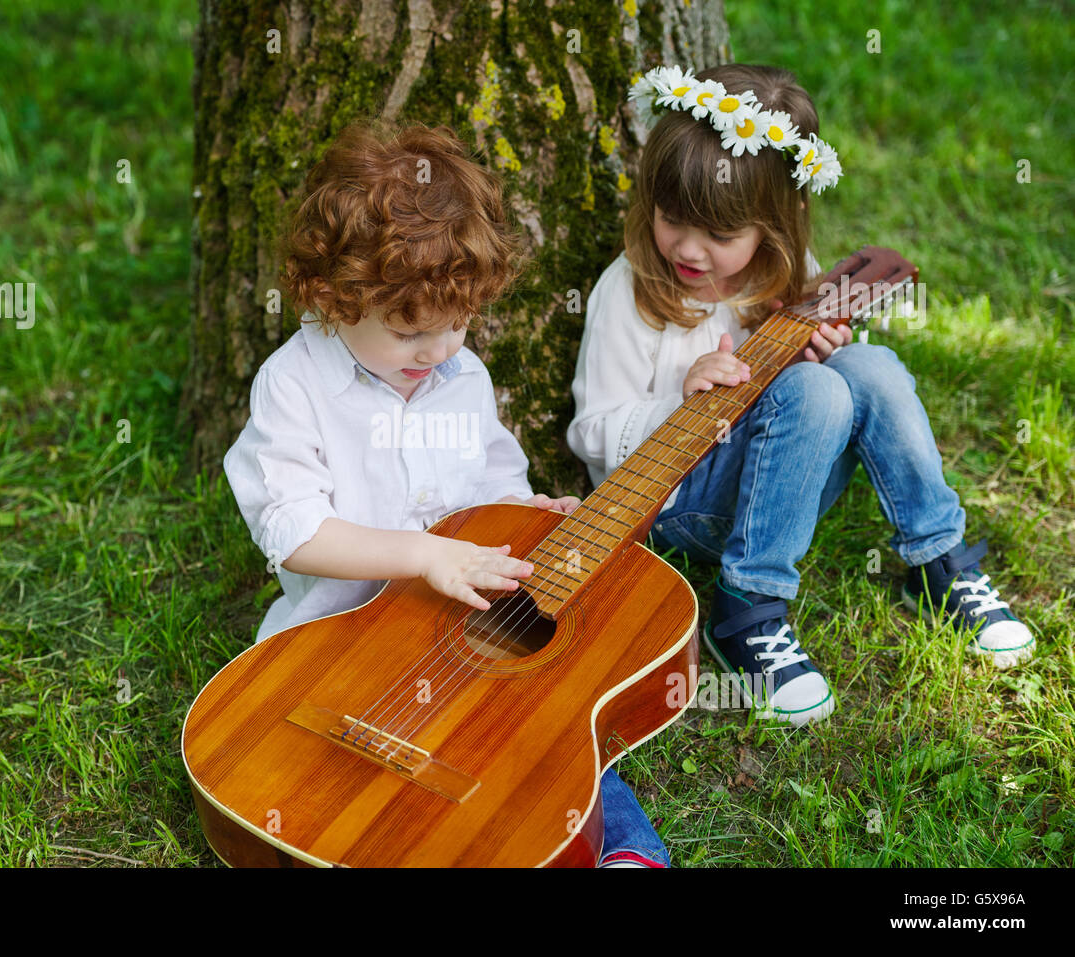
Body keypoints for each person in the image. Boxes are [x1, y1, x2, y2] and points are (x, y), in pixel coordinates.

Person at [224, 120, 669, 867]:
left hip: (465, 636)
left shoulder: (460, 377)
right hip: (340, 650)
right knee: (341, 786)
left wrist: (530, 516)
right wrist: (423, 554)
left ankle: (618, 846)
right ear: (334, 297)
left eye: (458, 324)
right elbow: (294, 529)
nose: (437, 352)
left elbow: (493, 482)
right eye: (409, 334)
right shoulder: (295, 384)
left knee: (548, 727)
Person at [567, 63, 1036, 728]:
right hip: (680, 504)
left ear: (773, 224)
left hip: (785, 481)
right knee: (814, 390)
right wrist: (682, 398)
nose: (687, 248)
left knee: (867, 365)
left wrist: (825, 348)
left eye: (721, 235)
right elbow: (591, 432)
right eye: (671, 218)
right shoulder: (630, 291)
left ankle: (939, 561)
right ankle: (746, 608)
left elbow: (824, 379)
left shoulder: (781, 272)